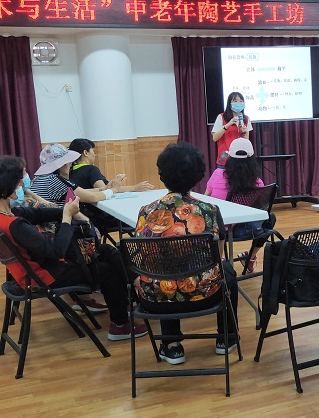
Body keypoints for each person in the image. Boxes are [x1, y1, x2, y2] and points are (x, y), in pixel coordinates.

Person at [0, 158, 147, 341]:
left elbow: (36, 213)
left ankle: (134, 291)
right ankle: (122, 323)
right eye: (17, 182)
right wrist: (67, 217)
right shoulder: (14, 224)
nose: (20, 184)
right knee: (108, 270)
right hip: (45, 276)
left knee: (106, 250)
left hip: (30, 272)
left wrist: (67, 210)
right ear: (5, 190)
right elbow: (56, 250)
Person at [133, 142, 239, 365]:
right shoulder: (210, 211)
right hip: (204, 295)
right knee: (227, 270)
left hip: (155, 298)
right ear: (199, 176)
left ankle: (171, 345)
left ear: (162, 175)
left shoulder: (146, 212)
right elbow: (218, 257)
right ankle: (226, 337)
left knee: (162, 271)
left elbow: (144, 255)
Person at [204, 137, 269, 273]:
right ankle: (250, 257)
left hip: (218, 230)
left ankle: (219, 259)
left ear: (230, 157)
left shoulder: (217, 174)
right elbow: (261, 210)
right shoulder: (257, 183)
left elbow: (205, 199)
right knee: (270, 220)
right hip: (244, 229)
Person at [30, 143, 118, 205]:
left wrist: (104, 188)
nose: (70, 164)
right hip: (58, 223)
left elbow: (78, 192)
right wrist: (113, 190)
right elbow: (92, 198)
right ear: (62, 164)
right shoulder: (55, 181)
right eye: (68, 161)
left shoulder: (39, 179)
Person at [67, 138, 154, 193]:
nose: (94, 154)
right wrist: (134, 188)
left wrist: (116, 183)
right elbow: (105, 190)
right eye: (93, 151)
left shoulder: (70, 171)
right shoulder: (91, 170)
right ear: (86, 153)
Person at [211, 91, 252, 166]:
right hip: (225, 159)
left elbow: (246, 141)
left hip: (242, 159)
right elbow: (215, 138)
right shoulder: (221, 117)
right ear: (230, 104)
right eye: (235, 101)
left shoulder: (246, 119)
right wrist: (227, 125)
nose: (238, 103)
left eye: (241, 101)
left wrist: (246, 135)